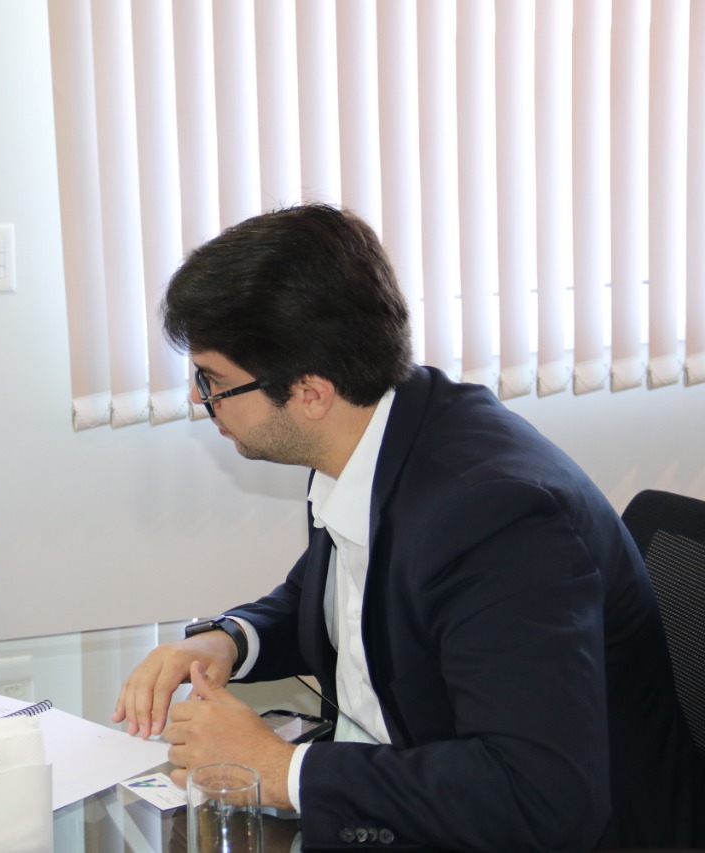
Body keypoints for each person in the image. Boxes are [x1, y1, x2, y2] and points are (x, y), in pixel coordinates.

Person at [113, 204, 704, 850]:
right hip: (402, 788)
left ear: (311, 393)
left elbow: (540, 796)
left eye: (213, 381)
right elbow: (339, 594)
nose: (199, 398)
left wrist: (285, 771)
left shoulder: (497, 519)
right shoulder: (376, 433)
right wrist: (230, 640)